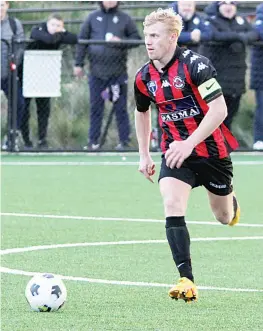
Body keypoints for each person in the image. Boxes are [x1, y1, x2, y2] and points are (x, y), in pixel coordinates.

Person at [134, 8, 241, 303]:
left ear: (172, 37)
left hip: (212, 153)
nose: (149, 42)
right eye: (146, 36)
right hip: (176, 154)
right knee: (171, 202)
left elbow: (219, 110)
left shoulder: (196, 65)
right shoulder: (144, 77)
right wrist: (144, 154)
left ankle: (230, 203)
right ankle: (186, 279)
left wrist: (190, 142)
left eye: (154, 36)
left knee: (223, 217)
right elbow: (142, 112)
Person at [74, 1, 141, 151]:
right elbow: (82, 42)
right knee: (96, 107)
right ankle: (93, 141)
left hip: (117, 73)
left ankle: (124, 141)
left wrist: (121, 41)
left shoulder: (125, 18)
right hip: (96, 73)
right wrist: (78, 64)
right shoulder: (91, 18)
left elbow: (136, 39)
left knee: (120, 108)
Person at [20, 13, 77, 148]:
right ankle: (26, 140)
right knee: (24, 109)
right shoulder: (38, 29)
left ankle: (42, 140)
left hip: (45, 76)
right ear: (47, 23)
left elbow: (74, 38)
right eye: (53, 25)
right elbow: (46, 39)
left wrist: (62, 33)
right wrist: (59, 35)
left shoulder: (59, 34)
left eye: (58, 26)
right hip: (27, 74)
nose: (55, 28)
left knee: (44, 109)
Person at [200, 1, 258, 130]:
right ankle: (210, 147)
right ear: (218, 6)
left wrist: (242, 38)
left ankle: (225, 147)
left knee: (230, 115)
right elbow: (214, 35)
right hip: (215, 76)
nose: (228, 6)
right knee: (213, 116)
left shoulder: (241, 20)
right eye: (224, 3)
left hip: (236, 77)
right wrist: (238, 37)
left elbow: (254, 34)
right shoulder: (210, 20)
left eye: (232, 3)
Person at [1, 0, 25, 150]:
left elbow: (20, 45)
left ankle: (12, 136)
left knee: (19, 103)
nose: (0, 8)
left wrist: (14, 62)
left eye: (2, 5)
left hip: (7, 74)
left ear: (7, 6)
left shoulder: (14, 24)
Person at [250, 3, 263, 150]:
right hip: (261, 74)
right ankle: (259, 139)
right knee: (262, 108)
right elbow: (259, 31)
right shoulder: (260, 13)